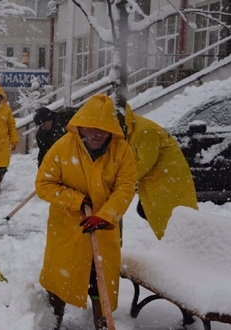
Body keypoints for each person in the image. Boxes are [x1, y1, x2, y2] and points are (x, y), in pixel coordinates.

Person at [35, 94, 136, 330]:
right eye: (90, 127)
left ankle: (103, 323)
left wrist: (106, 215)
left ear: (111, 129)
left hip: (104, 227)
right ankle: (52, 322)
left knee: (100, 281)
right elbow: (44, 185)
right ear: (80, 126)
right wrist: (77, 200)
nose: (96, 133)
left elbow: (125, 188)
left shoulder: (122, 152)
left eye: (102, 128)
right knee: (60, 278)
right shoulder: (63, 147)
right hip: (67, 227)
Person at [123, 103, 198, 239]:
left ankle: (183, 245)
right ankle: (174, 243)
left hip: (168, 179)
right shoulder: (128, 130)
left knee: (173, 218)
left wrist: (122, 181)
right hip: (156, 180)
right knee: (152, 213)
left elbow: (145, 163)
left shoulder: (143, 130)